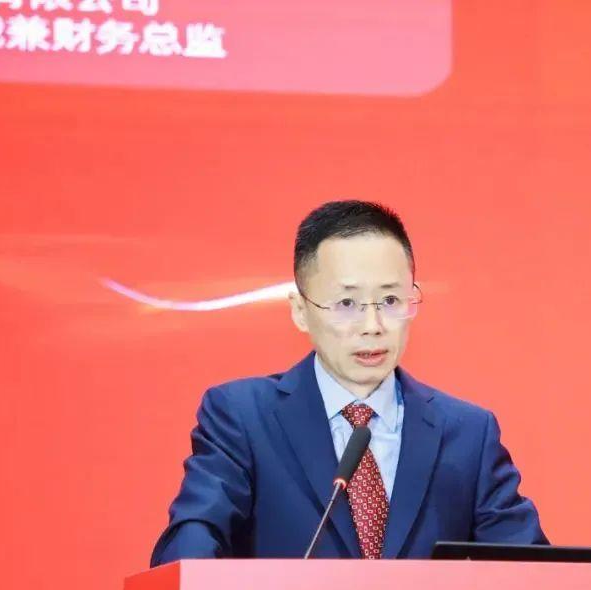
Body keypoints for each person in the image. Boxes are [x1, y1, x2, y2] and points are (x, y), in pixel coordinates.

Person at [150, 200, 547, 564]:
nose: (372, 326)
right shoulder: (243, 418)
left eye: (390, 301)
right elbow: (193, 538)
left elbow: (532, 574)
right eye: (346, 304)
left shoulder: (468, 433)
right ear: (301, 310)